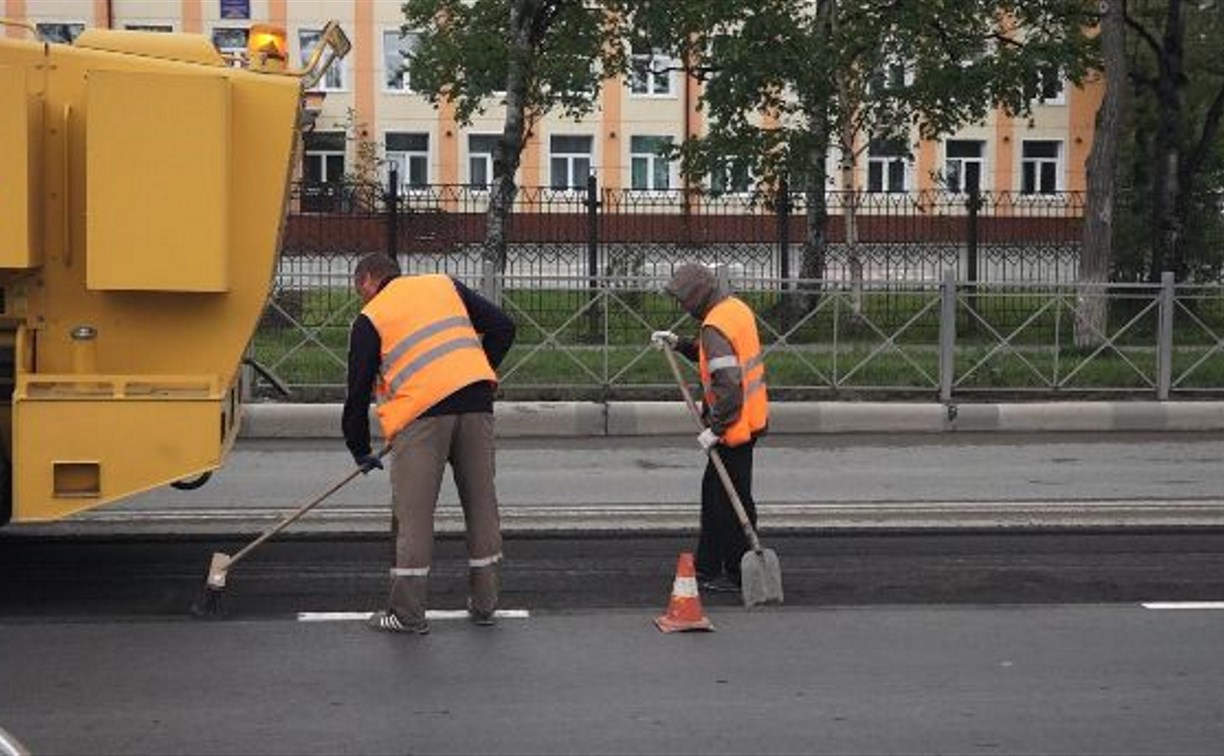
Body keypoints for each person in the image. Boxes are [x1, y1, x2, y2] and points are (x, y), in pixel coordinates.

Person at [343, 253, 516, 634]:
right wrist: (472, 374)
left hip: (421, 417)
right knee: (482, 505)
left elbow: (356, 392)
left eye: (360, 289)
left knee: (414, 516)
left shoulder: (371, 317)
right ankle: (485, 605)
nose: (361, 298)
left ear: (369, 279)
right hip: (476, 404)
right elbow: (504, 327)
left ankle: (406, 614)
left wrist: (359, 449)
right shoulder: (444, 285)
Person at [651, 263, 769, 594]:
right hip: (747, 420)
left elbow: (729, 384)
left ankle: (737, 572)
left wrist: (716, 428)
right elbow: (716, 358)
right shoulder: (734, 310)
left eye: (682, 300)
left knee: (730, 503)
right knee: (717, 495)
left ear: (695, 296)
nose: (682, 307)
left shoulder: (715, 326)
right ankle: (708, 566)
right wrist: (679, 344)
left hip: (734, 426)